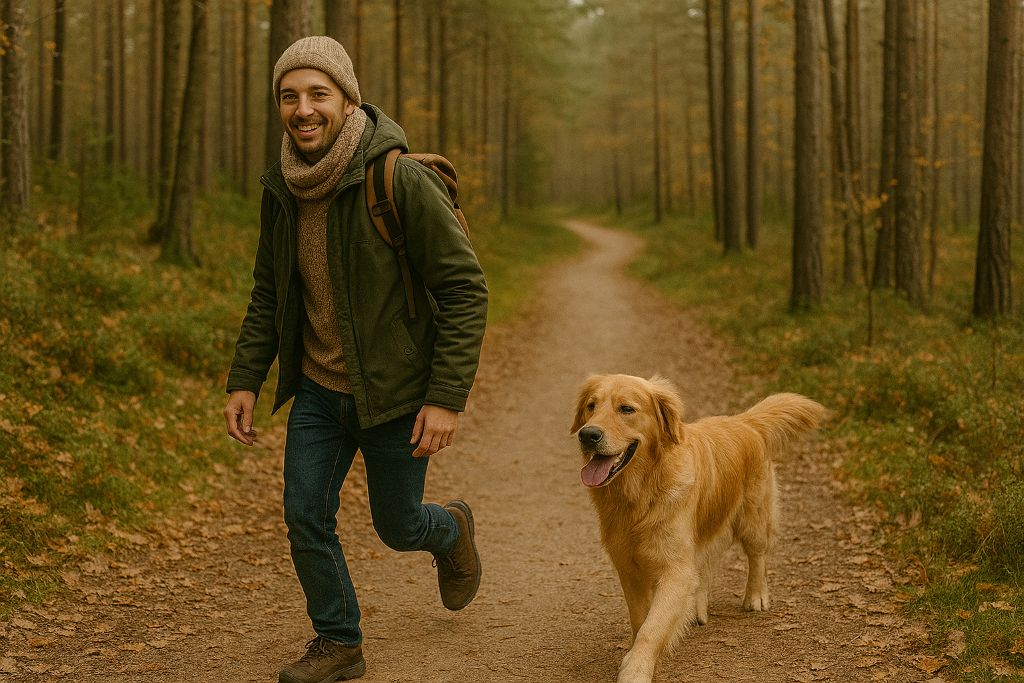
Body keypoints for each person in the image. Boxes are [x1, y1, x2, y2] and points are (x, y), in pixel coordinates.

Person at [222, 36, 488, 683]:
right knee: (303, 511)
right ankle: (339, 641)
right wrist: (246, 378)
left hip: (396, 393)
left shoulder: (396, 178)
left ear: (347, 100)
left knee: (398, 527)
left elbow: (464, 289)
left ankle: (449, 530)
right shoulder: (282, 186)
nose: (303, 108)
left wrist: (445, 397)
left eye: (319, 94)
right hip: (318, 389)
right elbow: (269, 290)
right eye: (290, 96)